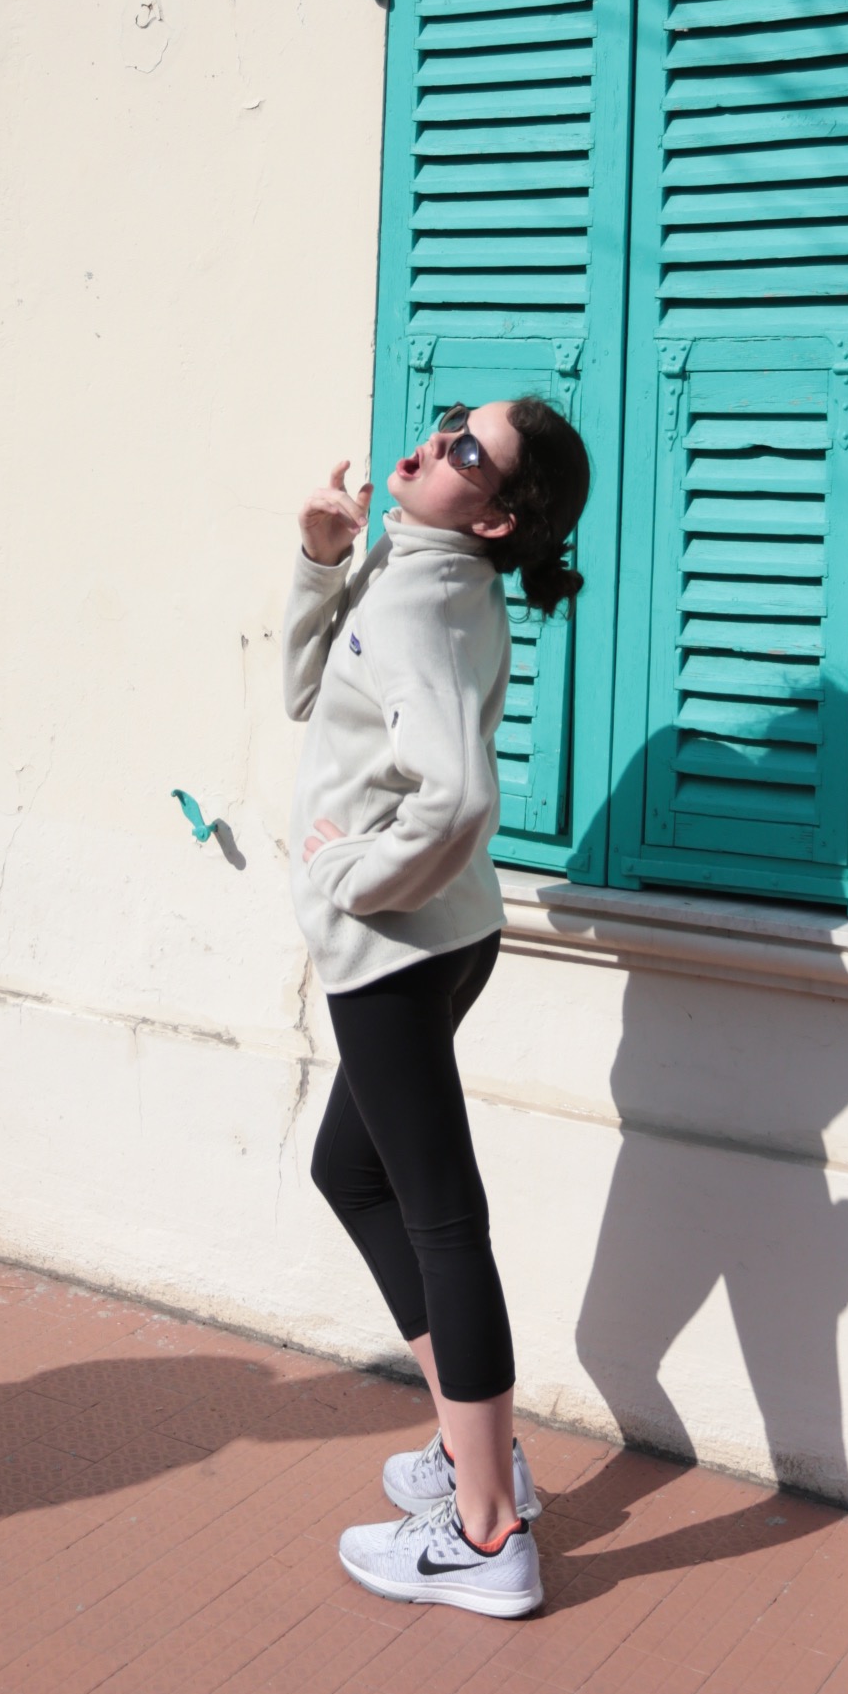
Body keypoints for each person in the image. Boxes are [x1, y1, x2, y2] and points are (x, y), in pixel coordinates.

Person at [282, 396, 591, 1618]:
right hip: (446, 935)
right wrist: (320, 558)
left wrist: (338, 875)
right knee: (354, 1175)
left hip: (398, 947)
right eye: (451, 420)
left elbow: (457, 796)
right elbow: (310, 692)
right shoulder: (417, 570)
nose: (438, 440)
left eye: (470, 451)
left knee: (441, 1222)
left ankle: (487, 1532)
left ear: (500, 513)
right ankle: (478, 1453)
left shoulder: (424, 594)